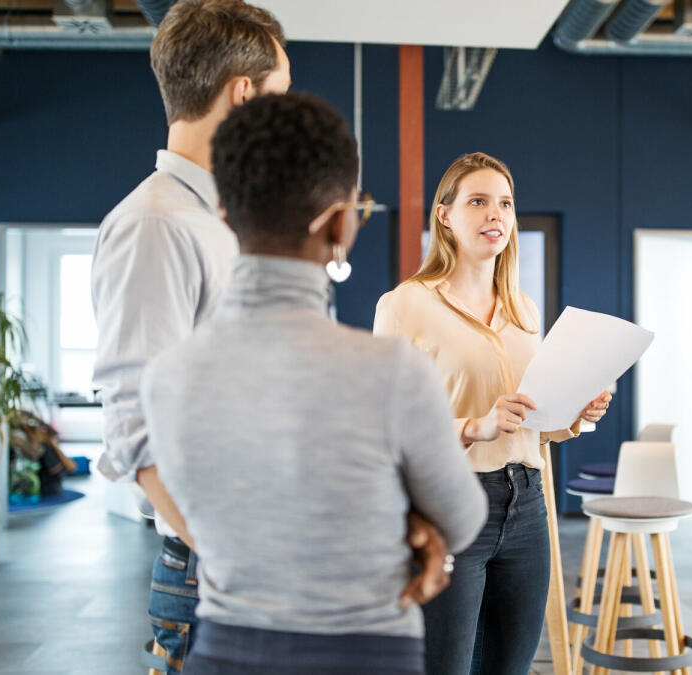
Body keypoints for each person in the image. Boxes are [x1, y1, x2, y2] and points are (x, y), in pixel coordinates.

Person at [90, 3, 446, 671]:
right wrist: (240, 559)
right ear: (244, 93)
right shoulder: (155, 224)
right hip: (221, 574)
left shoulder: (232, 222)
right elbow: (135, 425)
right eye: (280, 94)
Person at [140, 92, 487, 675]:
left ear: (224, 214)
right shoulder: (393, 372)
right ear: (338, 222)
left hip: (225, 653)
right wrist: (406, 523)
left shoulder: (166, 378)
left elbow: (220, 515)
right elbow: (462, 519)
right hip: (369, 654)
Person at [374, 152, 613, 675]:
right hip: (449, 507)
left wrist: (576, 412)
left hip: (527, 504)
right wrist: (473, 427)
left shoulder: (524, 310)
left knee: (511, 667)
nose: (495, 215)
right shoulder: (405, 305)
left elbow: (533, 422)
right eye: (478, 201)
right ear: (444, 216)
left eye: (504, 203)